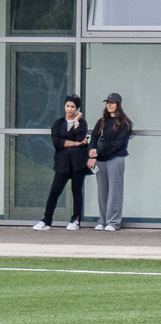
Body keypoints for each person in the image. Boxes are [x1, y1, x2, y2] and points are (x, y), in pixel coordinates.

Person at [35, 95, 91, 230]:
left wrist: (76, 122)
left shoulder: (82, 123)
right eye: (67, 106)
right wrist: (75, 143)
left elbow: (80, 138)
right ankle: (46, 220)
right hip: (62, 163)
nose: (69, 109)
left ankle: (75, 220)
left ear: (77, 109)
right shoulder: (58, 123)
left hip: (78, 163)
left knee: (76, 191)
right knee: (54, 191)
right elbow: (57, 142)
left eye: (73, 107)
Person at [88, 93, 132, 231]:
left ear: (118, 104)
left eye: (112, 103)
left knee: (115, 192)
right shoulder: (102, 121)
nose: (109, 105)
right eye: (108, 102)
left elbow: (118, 144)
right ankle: (103, 220)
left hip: (115, 159)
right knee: (102, 192)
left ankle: (113, 222)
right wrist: (92, 154)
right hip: (100, 161)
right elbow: (93, 139)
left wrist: (98, 152)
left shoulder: (124, 123)